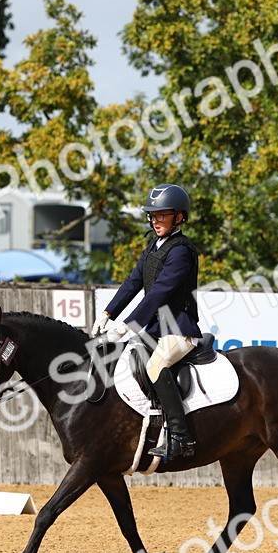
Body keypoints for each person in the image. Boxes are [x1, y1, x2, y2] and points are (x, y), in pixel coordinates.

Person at [92, 183, 202, 459]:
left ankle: (180, 437)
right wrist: (108, 313)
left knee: (156, 366)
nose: (155, 221)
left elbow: (159, 293)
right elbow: (133, 282)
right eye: (152, 216)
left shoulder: (181, 251)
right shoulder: (154, 246)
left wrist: (127, 325)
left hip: (179, 327)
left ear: (179, 217)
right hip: (155, 328)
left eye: (162, 215)